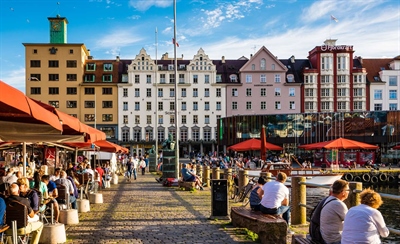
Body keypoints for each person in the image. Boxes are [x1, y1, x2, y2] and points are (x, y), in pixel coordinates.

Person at [320, 179, 349, 244]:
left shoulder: (329, 199)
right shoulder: (338, 204)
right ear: (343, 192)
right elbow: (350, 222)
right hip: (334, 240)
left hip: (326, 237)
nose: (349, 192)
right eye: (348, 190)